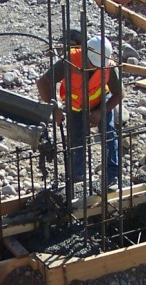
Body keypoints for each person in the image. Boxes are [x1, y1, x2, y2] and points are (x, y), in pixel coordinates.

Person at [37, 32, 124, 191]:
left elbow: (119, 94)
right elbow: (43, 82)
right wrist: (54, 108)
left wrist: (101, 112)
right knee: (77, 141)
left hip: (100, 102)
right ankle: (78, 180)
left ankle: (113, 176)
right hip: (76, 107)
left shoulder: (108, 65)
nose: (96, 67)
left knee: (109, 133)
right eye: (93, 63)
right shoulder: (70, 60)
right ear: (85, 53)